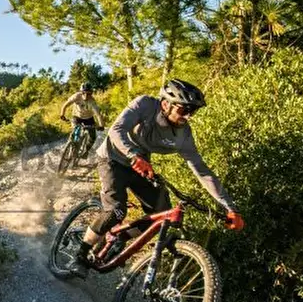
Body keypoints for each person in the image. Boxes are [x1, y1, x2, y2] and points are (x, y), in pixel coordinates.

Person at [69, 79, 245, 278]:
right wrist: (133, 155)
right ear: (166, 104)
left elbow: (202, 171)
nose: (188, 116)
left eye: (192, 111)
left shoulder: (184, 135)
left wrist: (230, 208)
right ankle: (80, 256)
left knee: (160, 215)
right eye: (184, 110)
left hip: (140, 166)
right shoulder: (144, 105)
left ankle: (119, 237)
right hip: (112, 158)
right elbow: (116, 130)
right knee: (116, 211)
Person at [60, 82, 104, 156]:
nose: (86, 96)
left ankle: (86, 152)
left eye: (89, 94)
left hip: (89, 118)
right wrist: (62, 114)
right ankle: (71, 143)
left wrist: (101, 125)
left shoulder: (92, 102)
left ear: (91, 94)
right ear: (81, 92)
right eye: (84, 93)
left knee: (93, 137)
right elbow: (66, 105)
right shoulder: (76, 96)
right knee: (75, 130)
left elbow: (98, 115)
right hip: (77, 116)